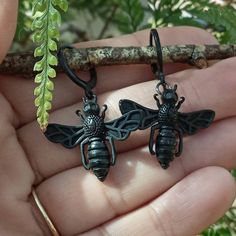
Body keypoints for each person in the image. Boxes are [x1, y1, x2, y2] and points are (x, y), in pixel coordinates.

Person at [0, 2, 235, 236]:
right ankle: (147, 155)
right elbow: (130, 117)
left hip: (120, 143)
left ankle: (147, 155)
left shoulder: (98, 122)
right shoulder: (119, 122)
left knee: (159, 135)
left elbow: (128, 116)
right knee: (164, 136)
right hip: (136, 140)